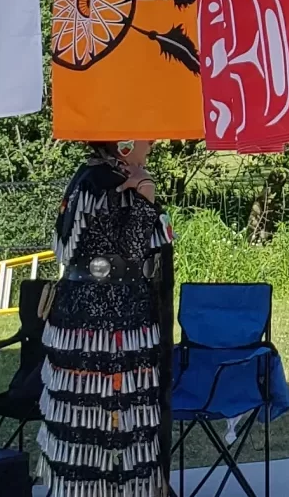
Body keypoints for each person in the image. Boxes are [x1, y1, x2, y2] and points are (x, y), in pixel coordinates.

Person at [38, 140, 173, 497]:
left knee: (88, 419)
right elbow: (130, 252)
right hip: (110, 320)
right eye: (145, 136)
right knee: (110, 419)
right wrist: (146, 196)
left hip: (83, 313)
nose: (153, 142)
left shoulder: (88, 177)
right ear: (123, 142)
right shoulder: (111, 183)